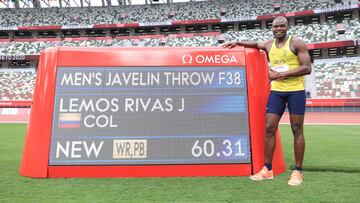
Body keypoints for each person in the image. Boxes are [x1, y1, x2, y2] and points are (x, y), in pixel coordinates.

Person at [223, 16, 312, 186]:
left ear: (287, 27)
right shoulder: (268, 44)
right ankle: (267, 169)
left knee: (297, 129)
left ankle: (298, 171)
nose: (278, 28)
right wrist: (237, 42)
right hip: (277, 92)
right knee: (270, 127)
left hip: (295, 91)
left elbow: (307, 68)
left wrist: (279, 75)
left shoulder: (296, 43)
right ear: (272, 28)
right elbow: (255, 44)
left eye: (282, 26)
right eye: (275, 26)